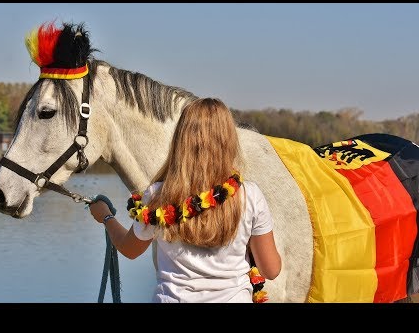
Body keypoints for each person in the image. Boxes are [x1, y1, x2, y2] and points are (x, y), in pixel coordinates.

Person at [89, 97, 281, 303]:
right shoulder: (250, 196)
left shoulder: (158, 195)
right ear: (229, 140)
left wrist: (106, 216)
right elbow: (271, 269)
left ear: (181, 139)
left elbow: (130, 249)